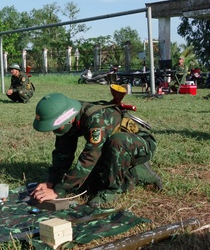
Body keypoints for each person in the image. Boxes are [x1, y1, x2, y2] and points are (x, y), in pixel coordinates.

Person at [30, 86, 162, 207]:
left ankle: (113, 190)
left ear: (69, 119)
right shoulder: (69, 116)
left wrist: (59, 190)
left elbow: (89, 158)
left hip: (140, 144)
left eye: (56, 126)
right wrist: (52, 181)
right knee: (88, 185)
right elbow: (63, 154)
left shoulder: (97, 121)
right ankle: (130, 171)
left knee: (117, 142)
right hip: (113, 148)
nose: (55, 131)